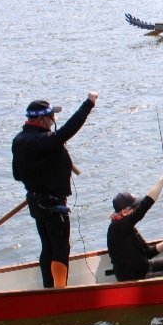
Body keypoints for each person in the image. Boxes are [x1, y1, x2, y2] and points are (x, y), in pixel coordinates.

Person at [12, 92, 98, 288]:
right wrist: (88, 104)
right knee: (60, 249)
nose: (54, 120)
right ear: (42, 119)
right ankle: (59, 293)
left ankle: (48, 288)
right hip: (52, 205)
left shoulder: (19, 141)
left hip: (36, 202)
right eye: (52, 117)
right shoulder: (43, 140)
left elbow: (17, 174)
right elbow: (68, 130)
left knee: (47, 248)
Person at [107, 174, 163, 281]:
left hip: (145, 268)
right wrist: (161, 182)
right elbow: (145, 205)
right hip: (135, 278)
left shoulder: (128, 228)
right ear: (124, 212)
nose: (137, 209)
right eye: (135, 207)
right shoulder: (118, 227)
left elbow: (149, 253)